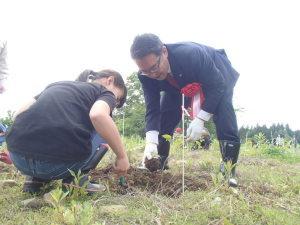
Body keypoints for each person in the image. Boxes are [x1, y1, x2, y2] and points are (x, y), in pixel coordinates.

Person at [130, 33, 240, 186]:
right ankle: (159, 160)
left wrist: (201, 118)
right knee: (165, 113)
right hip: (177, 83)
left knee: (223, 110)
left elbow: (218, 86)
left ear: (164, 52)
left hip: (215, 75)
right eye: (145, 71)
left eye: (154, 67)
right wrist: (151, 142)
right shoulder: (147, 75)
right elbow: (152, 108)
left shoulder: (191, 54)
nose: (152, 74)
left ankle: (229, 168)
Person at [6, 69, 130, 194]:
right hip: (58, 166)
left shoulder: (57, 85)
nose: (114, 104)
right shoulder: (105, 92)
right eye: (117, 99)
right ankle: (76, 180)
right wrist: (122, 157)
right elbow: (98, 115)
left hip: (18, 159)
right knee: (104, 125)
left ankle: (35, 180)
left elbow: (18, 114)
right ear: (110, 80)